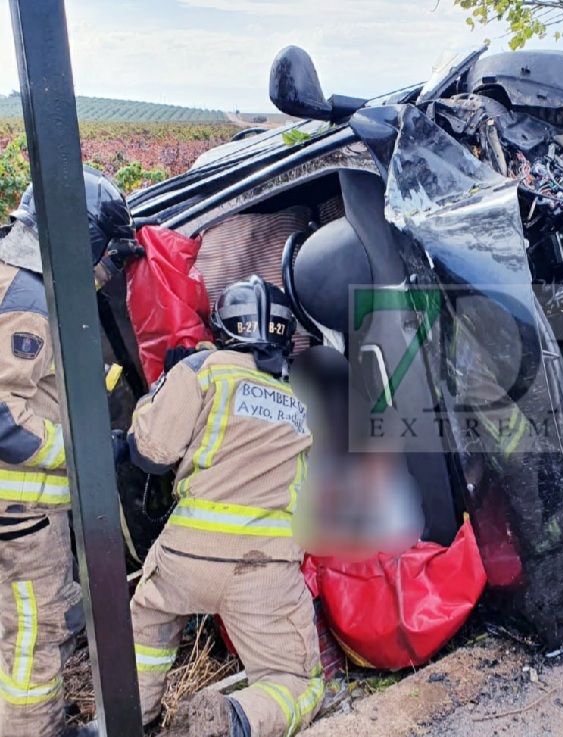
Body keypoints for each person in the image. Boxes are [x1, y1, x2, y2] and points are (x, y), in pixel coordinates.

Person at [124, 275, 323, 737]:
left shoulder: (203, 369)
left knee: (148, 626)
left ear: (222, 327)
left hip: (187, 556)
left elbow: (150, 451)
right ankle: (234, 719)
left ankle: (135, 714)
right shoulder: (299, 403)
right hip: (265, 570)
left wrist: (158, 393)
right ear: (284, 334)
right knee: (296, 682)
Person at [0, 167, 139, 737]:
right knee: (37, 633)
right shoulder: (28, 299)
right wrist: (83, 450)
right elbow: (5, 420)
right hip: (20, 517)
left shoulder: (13, 275)